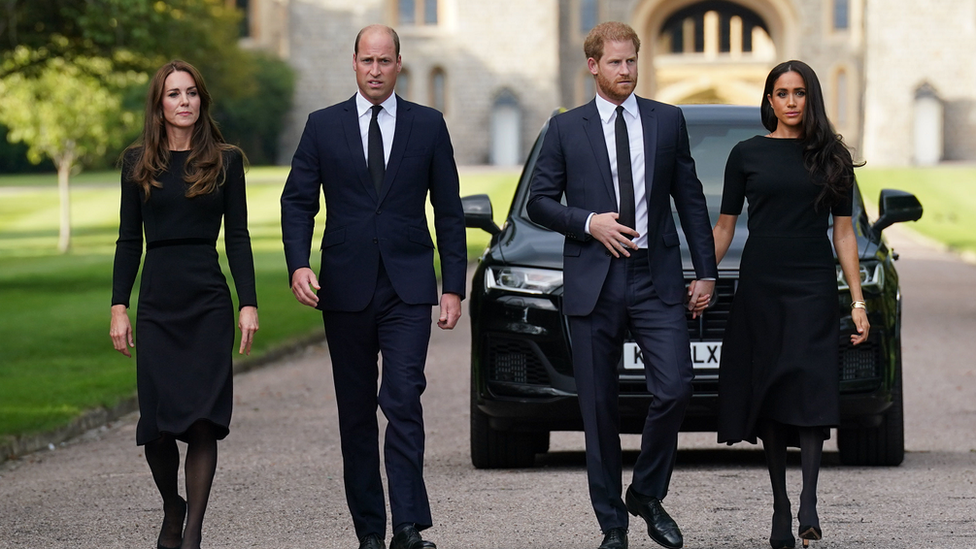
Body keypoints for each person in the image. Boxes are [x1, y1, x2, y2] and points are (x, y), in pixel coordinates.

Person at [527, 21, 717, 549]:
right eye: (616, 62)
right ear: (593, 66)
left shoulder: (667, 120)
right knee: (599, 409)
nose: (627, 70)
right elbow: (538, 202)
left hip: (654, 279)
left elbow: (691, 199)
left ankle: (647, 494)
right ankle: (612, 525)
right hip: (593, 281)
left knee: (677, 385)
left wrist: (704, 271)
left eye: (632, 60)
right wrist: (590, 223)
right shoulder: (567, 129)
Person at [279, 24, 466, 549]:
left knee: (403, 397)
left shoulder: (428, 125)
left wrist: (453, 286)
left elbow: (449, 212)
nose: (377, 70)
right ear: (354, 63)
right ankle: (369, 533)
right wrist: (298, 265)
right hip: (345, 288)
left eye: (386, 61)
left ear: (399, 64)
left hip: (408, 287)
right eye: (368, 61)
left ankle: (407, 526)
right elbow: (297, 201)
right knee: (356, 410)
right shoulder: (322, 126)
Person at [712, 60, 870, 549]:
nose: (791, 102)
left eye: (799, 93)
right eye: (781, 93)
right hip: (761, 283)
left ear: (811, 98)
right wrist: (701, 276)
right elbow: (724, 227)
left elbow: (844, 234)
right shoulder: (745, 155)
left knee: (811, 386)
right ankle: (780, 504)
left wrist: (858, 301)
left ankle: (809, 501)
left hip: (812, 283)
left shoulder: (833, 158)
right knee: (773, 394)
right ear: (769, 100)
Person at [110, 60, 259, 549]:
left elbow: (237, 237)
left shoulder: (226, 160)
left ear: (202, 100)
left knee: (201, 422)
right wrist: (118, 306)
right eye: (174, 94)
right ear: (159, 104)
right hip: (157, 301)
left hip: (208, 302)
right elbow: (128, 241)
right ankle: (173, 505)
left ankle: (191, 531)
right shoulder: (137, 163)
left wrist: (248, 303)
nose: (184, 102)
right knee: (156, 427)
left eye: (191, 93)